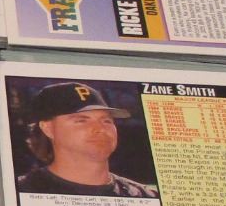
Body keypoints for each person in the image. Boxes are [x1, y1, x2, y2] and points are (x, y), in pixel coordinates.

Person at [17, 81, 158, 197]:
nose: (100, 129)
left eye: (106, 121)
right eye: (82, 120)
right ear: (48, 128)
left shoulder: (145, 196)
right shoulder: (19, 191)